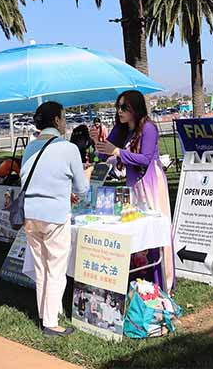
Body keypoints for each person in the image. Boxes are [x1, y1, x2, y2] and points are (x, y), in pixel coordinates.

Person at [21, 101, 90, 337]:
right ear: (57, 121)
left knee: (41, 267)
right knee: (56, 269)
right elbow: (82, 188)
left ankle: (44, 313)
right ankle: (51, 323)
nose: (65, 122)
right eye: (64, 117)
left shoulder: (30, 148)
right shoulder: (68, 148)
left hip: (29, 214)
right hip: (54, 216)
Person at [94, 90, 174, 291]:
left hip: (151, 184)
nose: (119, 112)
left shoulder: (148, 128)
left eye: (124, 107)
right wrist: (98, 143)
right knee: (135, 228)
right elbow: (104, 155)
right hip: (133, 186)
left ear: (135, 108)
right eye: (118, 107)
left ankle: (162, 279)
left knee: (154, 229)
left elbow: (145, 159)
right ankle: (140, 277)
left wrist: (118, 152)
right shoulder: (121, 130)